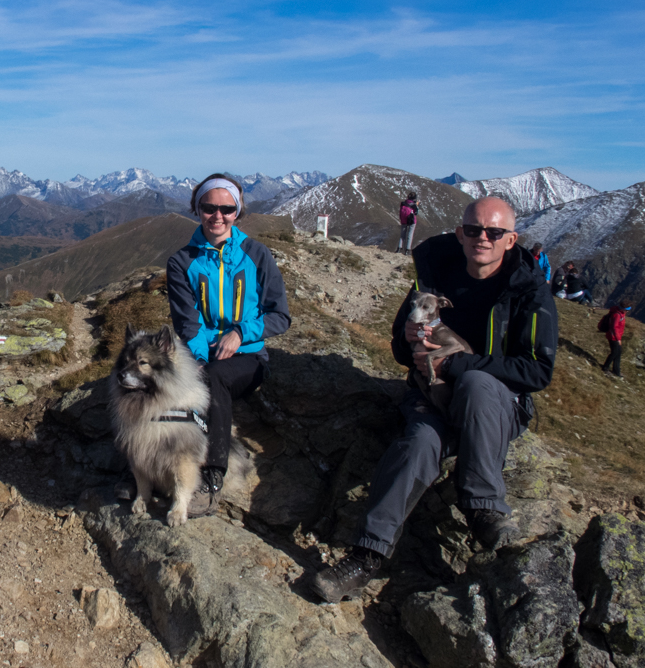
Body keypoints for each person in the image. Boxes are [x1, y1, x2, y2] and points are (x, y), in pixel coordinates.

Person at [311, 196, 557, 603]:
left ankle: (482, 508)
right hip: (432, 397)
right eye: (474, 230)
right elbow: (398, 346)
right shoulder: (432, 279)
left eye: (494, 233)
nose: (483, 239)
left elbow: (537, 372)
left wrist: (462, 365)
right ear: (460, 233)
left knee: (477, 385)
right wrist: (408, 345)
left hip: (496, 405)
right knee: (419, 443)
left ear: (510, 240)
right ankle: (366, 555)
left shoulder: (530, 292)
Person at [166, 173, 291, 515]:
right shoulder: (181, 262)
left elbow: (279, 315)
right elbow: (187, 323)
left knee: (215, 377)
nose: (217, 216)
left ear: (238, 212)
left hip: (249, 360)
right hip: (199, 355)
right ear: (197, 208)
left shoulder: (257, 255)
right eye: (209, 207)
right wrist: (202, 357)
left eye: (227, 208)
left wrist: (240, 333)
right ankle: (143, 471)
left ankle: (213, 475)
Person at [601, 301, 632, 378]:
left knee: (618, 352)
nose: (628, 311)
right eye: (627, 310)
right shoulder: (617, 315)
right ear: (624, 309)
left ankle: (616, 371)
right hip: (613, 337)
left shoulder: (620, 313)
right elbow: (614, 327)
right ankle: (605, 367)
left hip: (616, 336)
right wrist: (618, 339)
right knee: (614, 352)